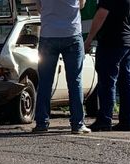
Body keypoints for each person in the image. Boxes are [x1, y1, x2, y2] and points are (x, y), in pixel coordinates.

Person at [84, 0, 130, 132]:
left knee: (107, 82)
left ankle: (105, 120)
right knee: (126, 84)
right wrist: (129, 35)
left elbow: (101, 14)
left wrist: (89, 39)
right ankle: (127, 121)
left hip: (111, 42)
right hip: (129, 42)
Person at [33, 0, 90, 134]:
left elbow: (39, 8)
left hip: (48, 34)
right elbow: (81, 5)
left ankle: (42, 123)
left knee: (45, 82)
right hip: (72, 33)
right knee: (75, 81)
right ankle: (77, 124)